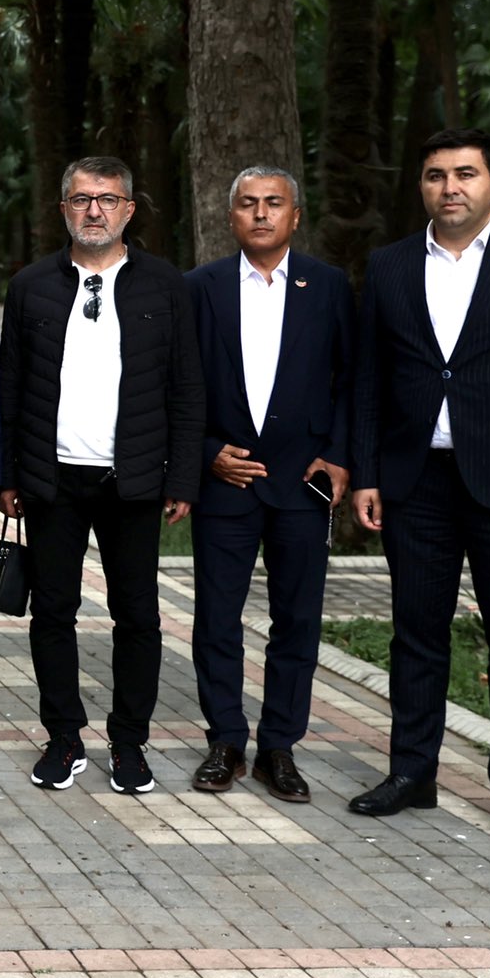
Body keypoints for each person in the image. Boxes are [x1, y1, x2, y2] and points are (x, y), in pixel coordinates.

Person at [347, 129, 490, 851]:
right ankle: (412, 773)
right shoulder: (390, 264)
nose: (451, 187)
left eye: (466, 174)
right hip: (416, 483)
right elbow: (370, 378)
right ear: (423, 186)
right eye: (437, 175)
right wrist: (368, 472)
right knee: (416, 636)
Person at [0, 155, 203, 795]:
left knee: (137, 615)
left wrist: (183, 478)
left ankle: (129, 742)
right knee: (52, 612)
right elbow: (9, 388)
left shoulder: (165, 286)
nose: (95, 210)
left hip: (133, 479)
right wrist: (8, 474)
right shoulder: (31, 285)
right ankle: (63, 738)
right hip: (51, 478)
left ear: (128, 210)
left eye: (108, 199)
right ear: (64, 208)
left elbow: (187, 388)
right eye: (82, 199)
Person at [185, 167, 353, 802]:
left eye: (273, 203)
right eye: (249, 204)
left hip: (303, 483)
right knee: (216, 619)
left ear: (295, 216)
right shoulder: (199, 288)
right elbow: (178, 385)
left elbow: (352, 379)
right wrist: (207, 455)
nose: (261, 214)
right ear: (231, 216)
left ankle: (279, 746)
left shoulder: (328, 286)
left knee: (297, 620)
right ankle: (226, 740)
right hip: (226, 481)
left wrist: (339, 457)